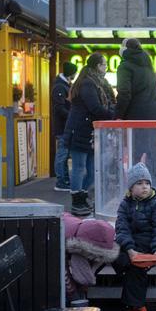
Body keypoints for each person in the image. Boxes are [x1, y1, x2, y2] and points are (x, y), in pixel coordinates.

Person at [114, 162, 156, 311]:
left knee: (135, 269)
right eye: (139, 183)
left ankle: (137, 309)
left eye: (147, 183)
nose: (144, 187)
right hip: (131, 244)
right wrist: (130, 249)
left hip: (148, 244)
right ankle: (134, 306)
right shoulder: (125, 204)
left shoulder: (155, 203)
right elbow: (121, 227)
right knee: (118, 259)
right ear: (131, 188)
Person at [63, 52, 114, 216]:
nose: (106, 68)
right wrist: (113, 115)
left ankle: (82, 196)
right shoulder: (87, 84)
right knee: (79, 167)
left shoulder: (95, 83)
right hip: (79, 130)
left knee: (92, 170)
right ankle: (77, 200)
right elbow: (95, 108)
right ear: (98, 66)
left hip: (90, 133)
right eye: (104, 64)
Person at [115, 38, 156, 195]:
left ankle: (135, 189)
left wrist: (118, 115)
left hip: (138, 115)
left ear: (124, 49)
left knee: (135, 153)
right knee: (153, 152)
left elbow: (124, 93)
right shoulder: (147, 64)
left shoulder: (125, 66)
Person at [52, 62, 77, 192]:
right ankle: (61, 181)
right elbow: (59, 108)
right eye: (74, 72)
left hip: (64, 126)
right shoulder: (60, 87)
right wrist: (72, 117)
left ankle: (64, 181)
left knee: (64, 154)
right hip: (63, 127)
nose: (75, 75)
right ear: (70, 73)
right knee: (62, 154)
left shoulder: (63, 86)